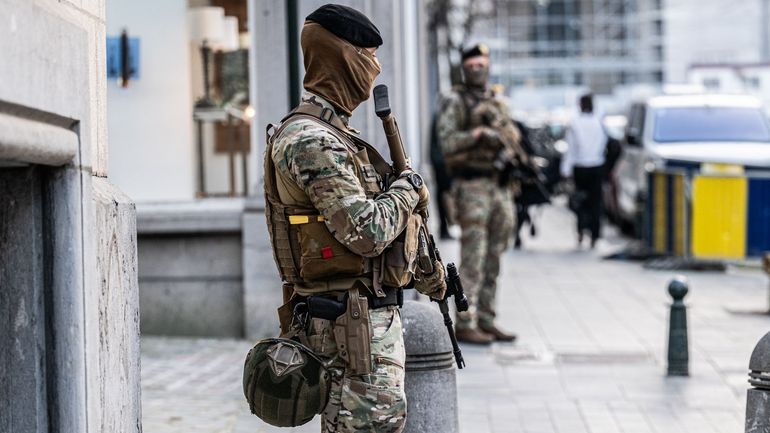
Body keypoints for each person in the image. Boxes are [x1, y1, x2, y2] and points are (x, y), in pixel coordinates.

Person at [262, 4, 443, 432]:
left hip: (361, 325)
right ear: (344, 58)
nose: (375, 69)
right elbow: (366, 232)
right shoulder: (312, 140)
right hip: (351, 333)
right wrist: (409, 186)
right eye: (369, 57)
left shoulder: (338, 134)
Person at [437, 44, 527, 344]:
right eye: (472, 66)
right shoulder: (455, 101)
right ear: (464, 69)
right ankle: (465, 320)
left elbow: (512, 137)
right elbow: (447, 142)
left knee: (494, 256)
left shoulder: (497, 102)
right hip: (472, 186)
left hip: (499, 185)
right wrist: (477, 134)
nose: (477, 70)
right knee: (473, 258)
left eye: (482, 65)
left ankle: (486, 318)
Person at [561, 93, 608, 248]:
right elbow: (604, 143)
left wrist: (566, 170)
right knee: (596, 203)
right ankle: (595, 235)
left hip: (580, 167)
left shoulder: (575, 123)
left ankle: (581, 230)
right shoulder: (598, 122)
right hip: (596, 166)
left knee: (580, 201)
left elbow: (571, 149)